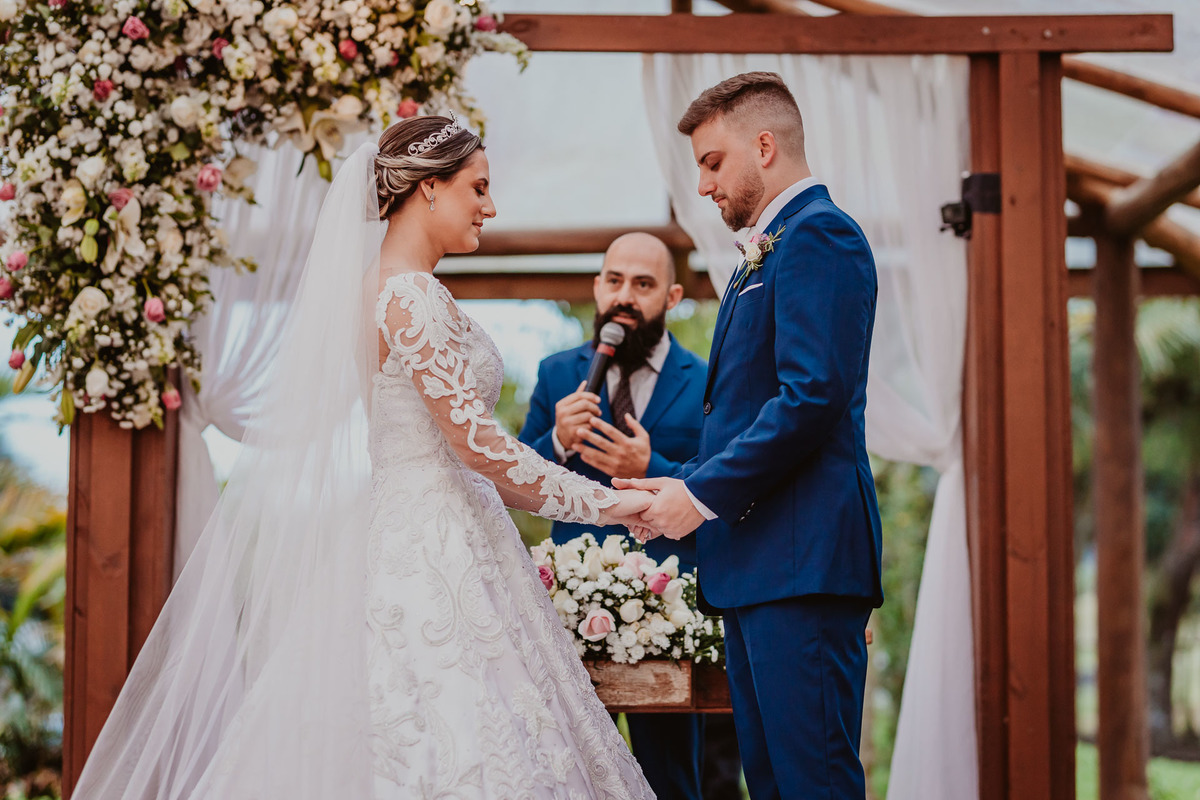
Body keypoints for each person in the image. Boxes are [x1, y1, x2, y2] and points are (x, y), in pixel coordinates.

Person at [72, 116, 657, 799]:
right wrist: (613, 503)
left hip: (416, 529)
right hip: (437, 546)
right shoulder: (409, 294)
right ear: (429, 187)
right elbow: (477, 446)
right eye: (478, 187)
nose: (491, 207)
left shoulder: (376, 288)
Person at [617, 72, 884, 799]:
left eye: (712, 163)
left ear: (764, 147)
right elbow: (746, 413)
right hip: (762, 567)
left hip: (802, 565)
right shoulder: (768, 251)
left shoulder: (821, 235)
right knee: (769, 786)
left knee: (812, 784)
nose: (703, 186)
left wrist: (700, 496)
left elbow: (812, 398)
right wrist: (677, 483)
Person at [520, 232, 741, 800]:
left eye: (643, 284)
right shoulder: (556, 373)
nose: (625, 296)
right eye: (615, 281)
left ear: (671, 297)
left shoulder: (707, 380)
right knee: (571, 771)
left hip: (668, 609)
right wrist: (556, 440)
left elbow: (728, 486)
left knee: (670, 778)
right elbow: (515, 480)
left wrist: (652, 466)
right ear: (598, 288)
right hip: (571, 603)